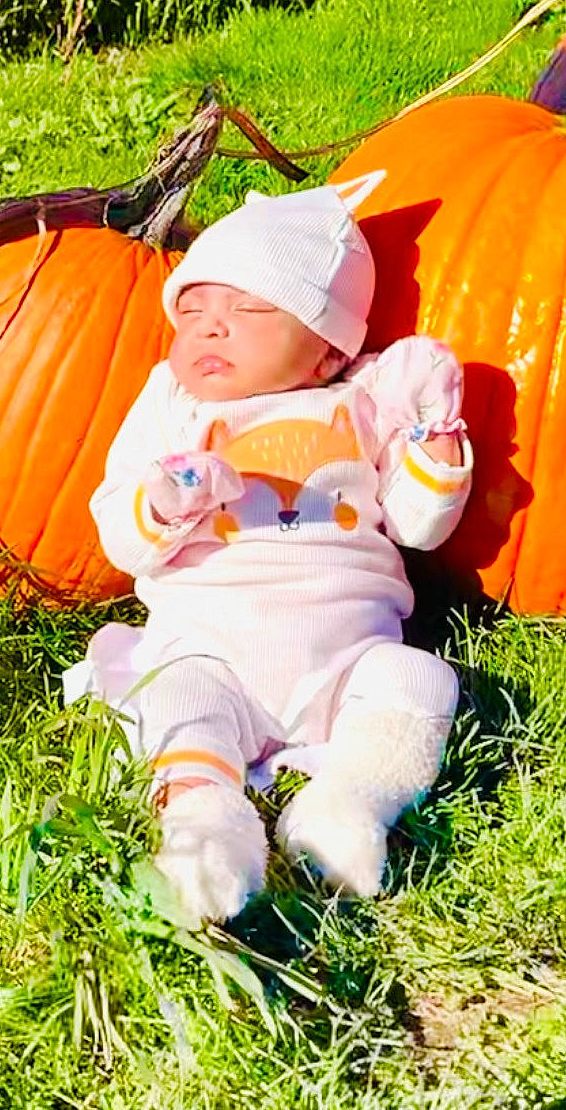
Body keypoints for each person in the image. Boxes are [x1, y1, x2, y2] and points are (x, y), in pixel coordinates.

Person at [66, 173, 471, 928]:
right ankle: (204, 825)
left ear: (325, 351)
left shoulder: (363, 400)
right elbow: (121, 537)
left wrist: (435, 441)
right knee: (177, 697)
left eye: (247, 309)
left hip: (349, 656)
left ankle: (351, 804)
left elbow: (420, 525)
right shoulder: (171, 405)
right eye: (190, 314)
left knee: (419, 681)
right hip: (210, 650)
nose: (209, 328)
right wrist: (161, 502)